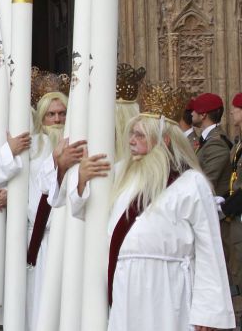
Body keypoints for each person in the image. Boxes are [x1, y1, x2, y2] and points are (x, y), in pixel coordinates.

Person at [72, 83, 234, 330]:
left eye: (140, 135)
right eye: (131, 133)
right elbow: (84, 210)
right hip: (124, 285)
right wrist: (82, 180)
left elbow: (209, 247)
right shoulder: (121, 174)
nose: (132, 141)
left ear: (165, 139)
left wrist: (208, 311)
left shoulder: (191, 183)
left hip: (169, 289)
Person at [191, 92, 239, 291]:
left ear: (203, 114)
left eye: (195, 110)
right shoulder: (206, 140)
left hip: (221, 215)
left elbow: (206, 180)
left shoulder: (216, 142)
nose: (191, 113)